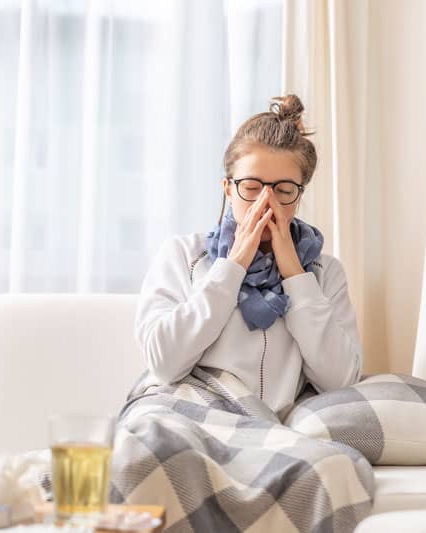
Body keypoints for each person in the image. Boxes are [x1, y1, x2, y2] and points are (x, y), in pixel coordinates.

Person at [110, 95, 373, 532]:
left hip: (270, 430)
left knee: (331, 471)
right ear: (228, 186)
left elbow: (340, 378)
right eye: (251, 187)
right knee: (145, 452)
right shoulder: (184, 255)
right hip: (183, 414)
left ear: (300, 193)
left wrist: (294, 273)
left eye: (283, 189)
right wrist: (230, 268)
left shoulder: (324, 273)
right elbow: (165, 360)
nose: (266, 203)